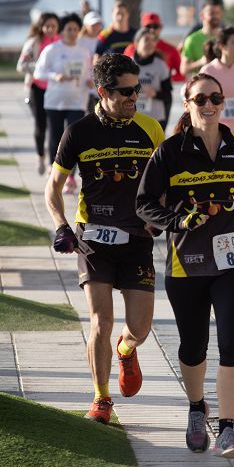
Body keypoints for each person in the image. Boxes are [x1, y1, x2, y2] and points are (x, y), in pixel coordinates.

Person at [136, 73, 234, 459]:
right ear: (187, 104)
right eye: (199, 98)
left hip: (233, 262)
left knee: (232, 343)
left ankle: (228, 429)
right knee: (193, 346)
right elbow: (144, 203)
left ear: (222, 102)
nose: (208, 104)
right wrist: (178, 221)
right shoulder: (170, 151)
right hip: (187, 266)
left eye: (215, 97)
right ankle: (196, 407)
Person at [45, 54, 164, 425]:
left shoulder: (151, 129)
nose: (135, 97)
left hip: (137, 240)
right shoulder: (78, 132)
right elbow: (53, 187)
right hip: (93, 237)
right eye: (126, 92)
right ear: (102, 91)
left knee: (140, 327)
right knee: (101, 320)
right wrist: (62, 225)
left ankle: (127, 350)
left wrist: (161, 216)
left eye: (137, 89)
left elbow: (168, 181)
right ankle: (101, 399)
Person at [34, 13, 93, 193]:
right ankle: (55, 172)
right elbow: (38, 73)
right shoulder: (52, 50)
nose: (73, 32)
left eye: (76, 29)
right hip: (55, 101)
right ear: (62, 30)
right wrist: (55, 76)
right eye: (69, 29)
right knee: (56, 136)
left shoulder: (84, 52)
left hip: (77, 101)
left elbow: (88, 75)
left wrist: (91, 82)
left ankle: (71, 177)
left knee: (74, 138)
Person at [16, 11, 59, 174]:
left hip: (55, 89)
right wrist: (39, 68)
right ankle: (40, 156)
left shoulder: (61, 42)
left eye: (54, 26)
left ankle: (51, 162)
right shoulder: (34, 42)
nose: (50, 29)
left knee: (54, 127)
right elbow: (21, 65)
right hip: (36, 88)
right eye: (47, 26)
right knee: (41, 125)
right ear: (41, 27)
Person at [122, 28, 172, 128]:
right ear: (136, 44)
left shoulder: (161, 65)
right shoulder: (127, 65)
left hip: (155, 119)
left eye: (152, 40)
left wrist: (155, 94)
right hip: (132, 119)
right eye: (146, 40)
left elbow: (168, 96)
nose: (150, 43)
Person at [180, 0, 225, 77]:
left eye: (217, 13)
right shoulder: (192, 40)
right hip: (202, 87)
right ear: (202, 15)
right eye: (211, 13)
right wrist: (201, 62)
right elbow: (183, 69)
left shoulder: (226, 37)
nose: (215, 16)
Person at [141, 12, 183, 83]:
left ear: (161, 28)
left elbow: (182, 74)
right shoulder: (131, 49)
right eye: (148, 27)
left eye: (155, 26)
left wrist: (164, 79)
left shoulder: (171, 50)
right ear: (142, 28)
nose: (152, 30)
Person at [79, 11, 105, 114]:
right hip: (85, 85)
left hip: (100, 85)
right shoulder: (79, 41)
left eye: (98, 24)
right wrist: (87, 78)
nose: (96, 27)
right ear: (86, 25)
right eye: (93, 24)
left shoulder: (103, 40)